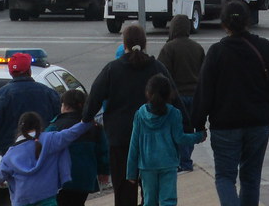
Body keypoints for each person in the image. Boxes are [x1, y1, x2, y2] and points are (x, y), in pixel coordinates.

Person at [192, 0, 269, 206]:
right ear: (247, 21)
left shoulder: (217, 52)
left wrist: (198, 123)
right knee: (251, 178)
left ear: (224, 23)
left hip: (225, 125)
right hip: (258, 122)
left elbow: (204, 92)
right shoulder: (265, 47)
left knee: (225, 177)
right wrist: (268, 102)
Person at [83, 24, 188, 206]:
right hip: (153, 142)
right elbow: (175, 99)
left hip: (120, 139)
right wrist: (189, 126)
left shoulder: (112, 69)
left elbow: (94, 99)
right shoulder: (156, 67)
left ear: (124, 43)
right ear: (145, 43)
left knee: (124, 192)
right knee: (152, 194)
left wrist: (86, 118)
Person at [126, 74, 206, 206]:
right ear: (169, 94)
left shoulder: (140, 114)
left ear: (148, 93)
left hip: (147, 166)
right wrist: (199, 136)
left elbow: (134, 145)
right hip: (168, 163)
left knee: (149, 201)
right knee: (168, 200)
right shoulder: (174, 113)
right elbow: (180, 139)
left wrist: (131, 172)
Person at [0, 111, 94, 206]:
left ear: (20, 128)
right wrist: (87, 122)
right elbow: (71, 133)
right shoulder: (50, 140)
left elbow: (0, 175)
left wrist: (0, 180)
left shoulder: (10, 153)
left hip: (22, 199)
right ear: (39, 125)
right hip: (46, 195)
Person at [0, 52, 62, 160]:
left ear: (11, 72)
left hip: (11, 151)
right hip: (43, 148)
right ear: (29, 70)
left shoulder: (0, 95)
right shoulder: (48, 93)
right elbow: (59, 119)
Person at [157, 14, 205, 172]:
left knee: (176, 130)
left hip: (176, 97)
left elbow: (162, 75)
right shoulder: (197, 47)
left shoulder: (168, 48)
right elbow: (204, 74)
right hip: (195, 96)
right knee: (189, 129)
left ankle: (181, 162)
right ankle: (186, 160)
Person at [46, 89, 109, 206]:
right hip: (85, 180)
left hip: (61, 180)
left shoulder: (55, 127)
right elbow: (103, 153)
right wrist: (104, 172)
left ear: (65, 106)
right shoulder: (95, 128)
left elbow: (43, 150)